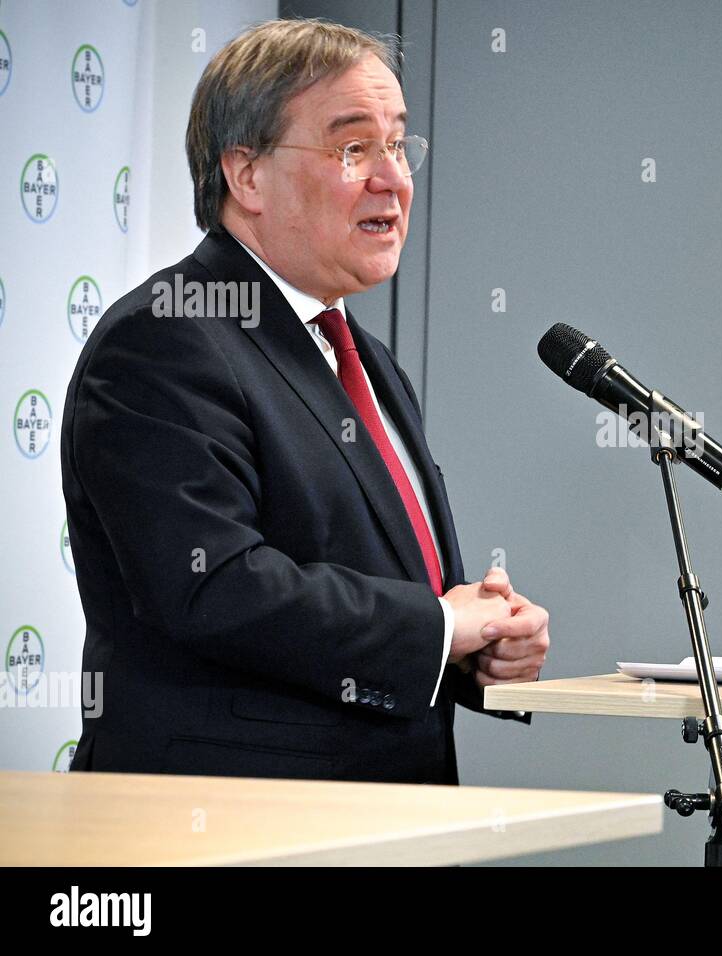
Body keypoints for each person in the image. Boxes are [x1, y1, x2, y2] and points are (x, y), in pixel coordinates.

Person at [60, 19, 548, 783]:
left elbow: (391, 597)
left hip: (387, 818)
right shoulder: (164, 341)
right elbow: (213, 586)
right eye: (354, 148)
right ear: (246, 175)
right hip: (230, 824)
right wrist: (440, 622)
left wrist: (479, 648)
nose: (392, 178)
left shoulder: (367, 361)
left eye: (398, 144)